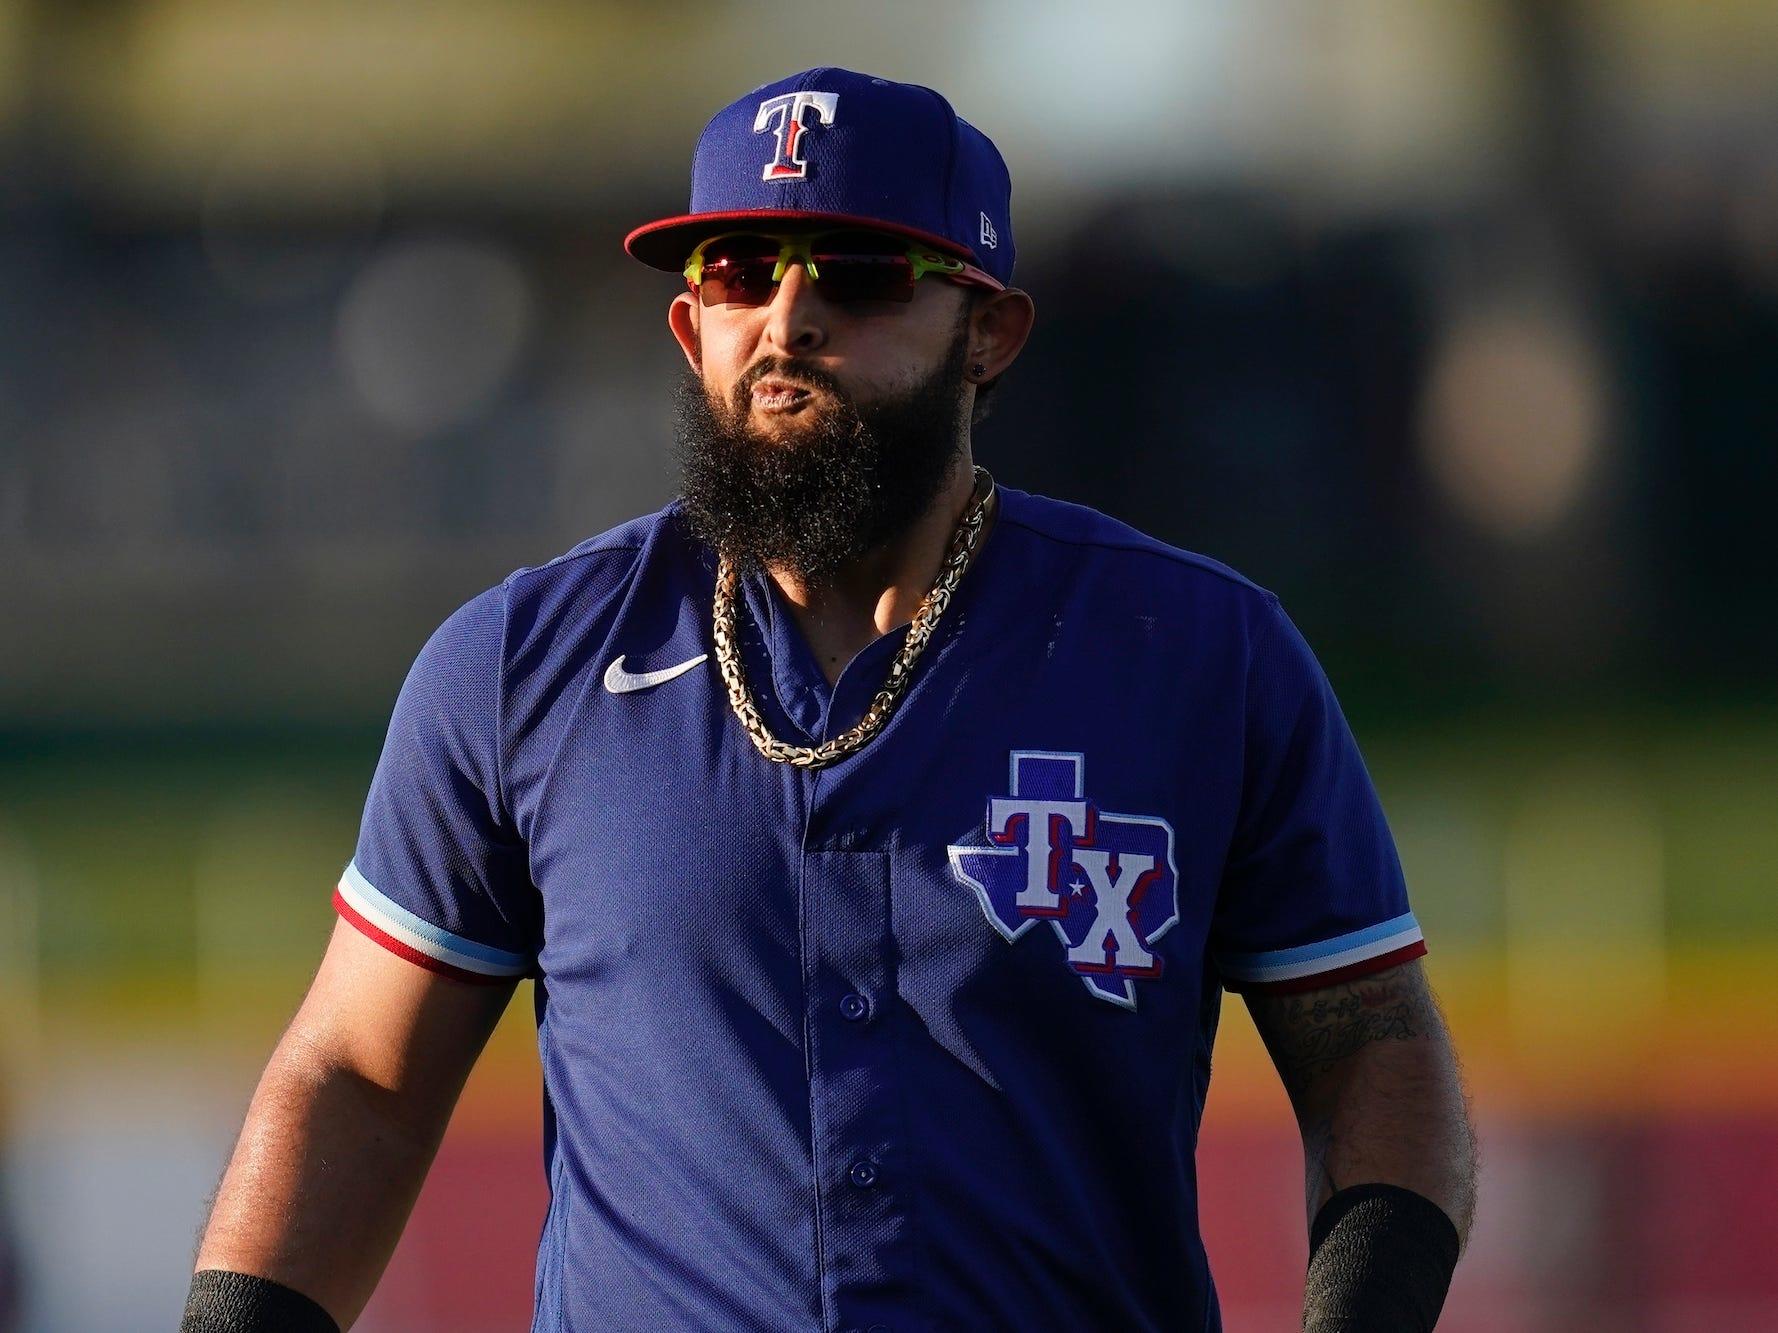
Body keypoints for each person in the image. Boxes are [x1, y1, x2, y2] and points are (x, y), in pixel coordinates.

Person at [183, 68, 1478, 1333]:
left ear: (989, 332)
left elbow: (1373, 1045)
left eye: (857, 274)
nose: (788, 320)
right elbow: (358, 1074)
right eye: (741, 271)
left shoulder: (1198, 651)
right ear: (693, 329)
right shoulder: (525, 663)